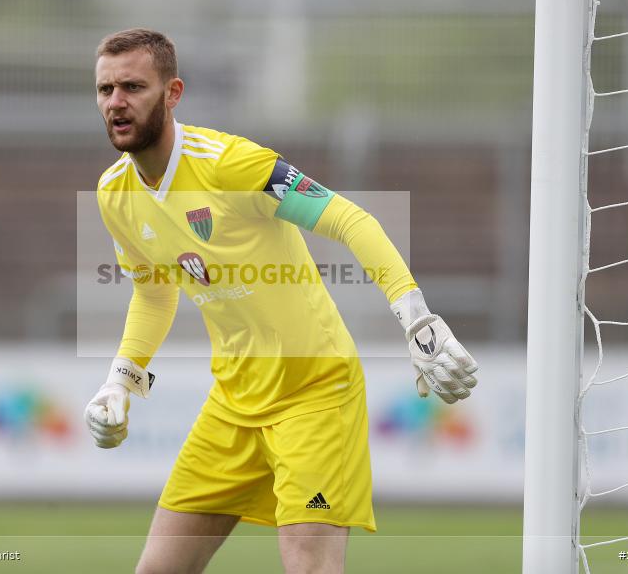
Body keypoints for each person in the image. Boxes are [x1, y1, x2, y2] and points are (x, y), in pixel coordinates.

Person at [84, 28, 478, 574]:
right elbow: (154, 293)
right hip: (233, 402)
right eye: (105, 90)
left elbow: (348, 218)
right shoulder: (114, 194)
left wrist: (418, 321)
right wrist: (121, 379)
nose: (116, 103)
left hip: (315, 393)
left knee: (309, 567)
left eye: (132, 86)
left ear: (172, 93)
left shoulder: (231, 164)